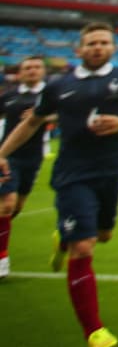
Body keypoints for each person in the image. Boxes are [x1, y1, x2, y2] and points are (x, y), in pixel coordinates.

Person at [0, 23, 118, 347]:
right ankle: (95, 332)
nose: (98, 47)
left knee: (103, 235)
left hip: (111, 170)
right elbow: (31, 122)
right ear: (78, 50)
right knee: (84, 248)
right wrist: (1, 154)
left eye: (103, 42)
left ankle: (64, 235)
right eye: (91, 43)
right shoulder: (59, 86)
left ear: (113, 48)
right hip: (72, 174)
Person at [0, 55, 50, 279]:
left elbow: (70, 115)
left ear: (43, 71)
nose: (32, 71)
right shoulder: (8, 97)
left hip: (33, 158)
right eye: (27, 67)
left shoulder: (51, 96)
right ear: (20, 73)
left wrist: (45, 116)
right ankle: (2, 259)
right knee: (6, 205)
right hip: (7, 157)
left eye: (36, 67)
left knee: (17, 207)